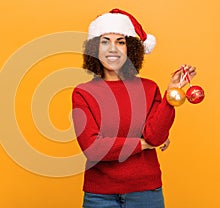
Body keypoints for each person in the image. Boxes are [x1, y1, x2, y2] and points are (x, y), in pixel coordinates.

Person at [71, 8, 196, 208]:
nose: (113, 48)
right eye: (105, 41)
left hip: (146, 194)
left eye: (120, 42)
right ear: (95, 48)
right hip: (99, 196)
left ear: (131, 48)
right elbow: (94, 149)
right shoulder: (83, 93)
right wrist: (143, 144)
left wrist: (170, 94)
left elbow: (156, 137)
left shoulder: (149, 88)